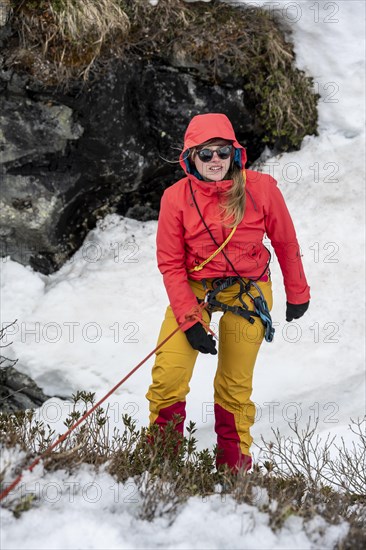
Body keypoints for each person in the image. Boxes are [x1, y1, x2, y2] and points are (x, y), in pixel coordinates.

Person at [146, 113, 310, 472]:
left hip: (247, 290)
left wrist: (298, 292)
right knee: (169, 374)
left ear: (234, 154)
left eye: (222, 152)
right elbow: (171, 264)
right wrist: (190, 321)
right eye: (205, 154)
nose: (215, 160)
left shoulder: (262, 188)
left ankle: (233, 470)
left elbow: (285, 241)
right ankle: (160, 463)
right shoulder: (175, 198)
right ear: (191, 158)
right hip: (195, 287)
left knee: (234, 383)